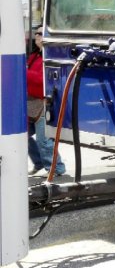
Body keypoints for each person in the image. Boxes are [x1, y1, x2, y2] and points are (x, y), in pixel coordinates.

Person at [27, 27, 66, 177]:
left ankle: (56, 168)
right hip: (30, 102)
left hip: (44, 103)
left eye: (40, 33)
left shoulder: (50, 57)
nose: (37, 36)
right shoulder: (34, 56)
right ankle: (40, 163)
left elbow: (42, 80)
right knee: (23, 137)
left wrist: (23, 71)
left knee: (44, 140)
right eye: (36, 33)